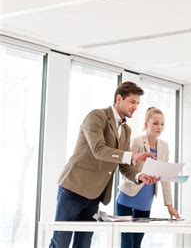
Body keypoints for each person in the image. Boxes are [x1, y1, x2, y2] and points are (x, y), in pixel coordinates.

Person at [50, 82, 158, 248]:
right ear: (119, 98)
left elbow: (122, 163)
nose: (135, 107)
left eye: (137, 103)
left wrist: (139, 175)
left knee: (83, 244)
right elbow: (98, 150)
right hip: (73, 188)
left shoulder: (126, 130)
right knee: (61, 243)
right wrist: (133, 155)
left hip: (95, 194)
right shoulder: (96, 116)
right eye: (132, 102)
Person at [116, 107, 180, 248]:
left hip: (145, 200)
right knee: (127, 243)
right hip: (127, 196)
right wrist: (140, 175)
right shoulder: (137, 141)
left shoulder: (164, 146)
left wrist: (170, 205)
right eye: (155, 123)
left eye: (162, 124)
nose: (159, 127)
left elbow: (165, 177)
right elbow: (126, 168)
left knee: (137, 243)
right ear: (146, 124)